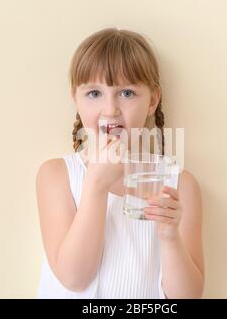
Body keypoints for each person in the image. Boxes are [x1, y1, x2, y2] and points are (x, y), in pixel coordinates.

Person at [36, 28, 204, 298]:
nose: (110, 109)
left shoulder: (180, 184)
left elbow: (187, 296)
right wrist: (96, 185)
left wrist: (170, 237)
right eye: (94, 93)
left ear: (153, 100)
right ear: (75, 99)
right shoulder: (57, 175)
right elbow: (74, 278)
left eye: (126, 93)